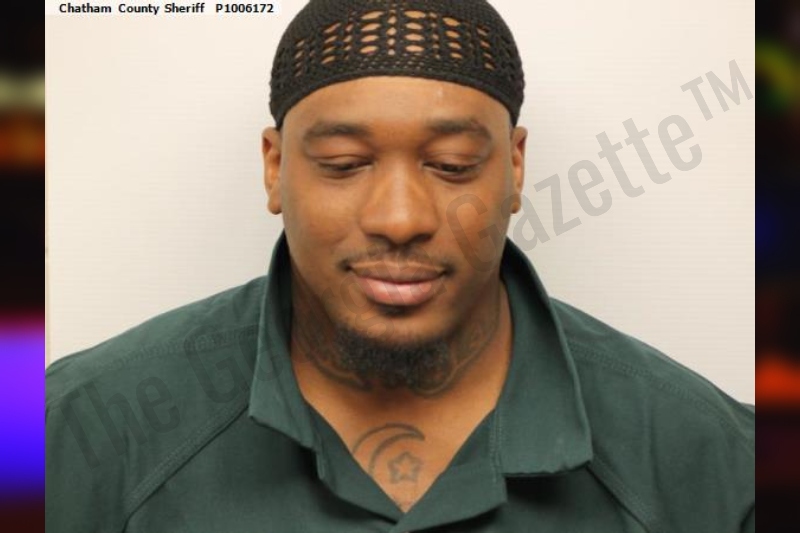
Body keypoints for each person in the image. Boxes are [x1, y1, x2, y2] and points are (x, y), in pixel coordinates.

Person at [45, 0, 754, 531]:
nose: (400, 218)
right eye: (344, 163)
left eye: (452, 164)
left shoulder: (716, 461)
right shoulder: (70, 433)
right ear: (274, 167)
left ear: (513, 169)